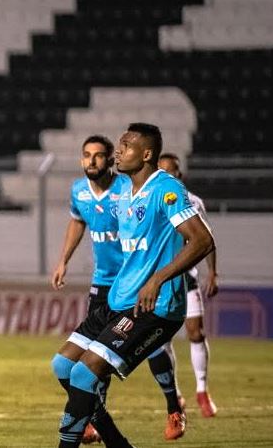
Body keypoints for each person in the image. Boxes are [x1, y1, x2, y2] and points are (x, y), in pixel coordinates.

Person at [55, 123, 215, 448]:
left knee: (85, 374)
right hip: (119, 298)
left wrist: (158, 278)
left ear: (146, 154)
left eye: (125, 146)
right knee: (63, 365)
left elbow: (202, 241)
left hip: (155, 306)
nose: (118, 151)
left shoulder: (165, 189)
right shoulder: (125, 193)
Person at [158, 152, 219, 418]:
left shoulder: (193, 202)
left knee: (195, 332)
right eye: (162, 171)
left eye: (171, 171)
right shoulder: (151, 200)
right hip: (160, 281)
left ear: (179, 174)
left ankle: (202, 390)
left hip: (187, 278)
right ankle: (175, 395)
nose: (167, 176)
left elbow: (207, 238)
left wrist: (213, 273)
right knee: (161, 339)